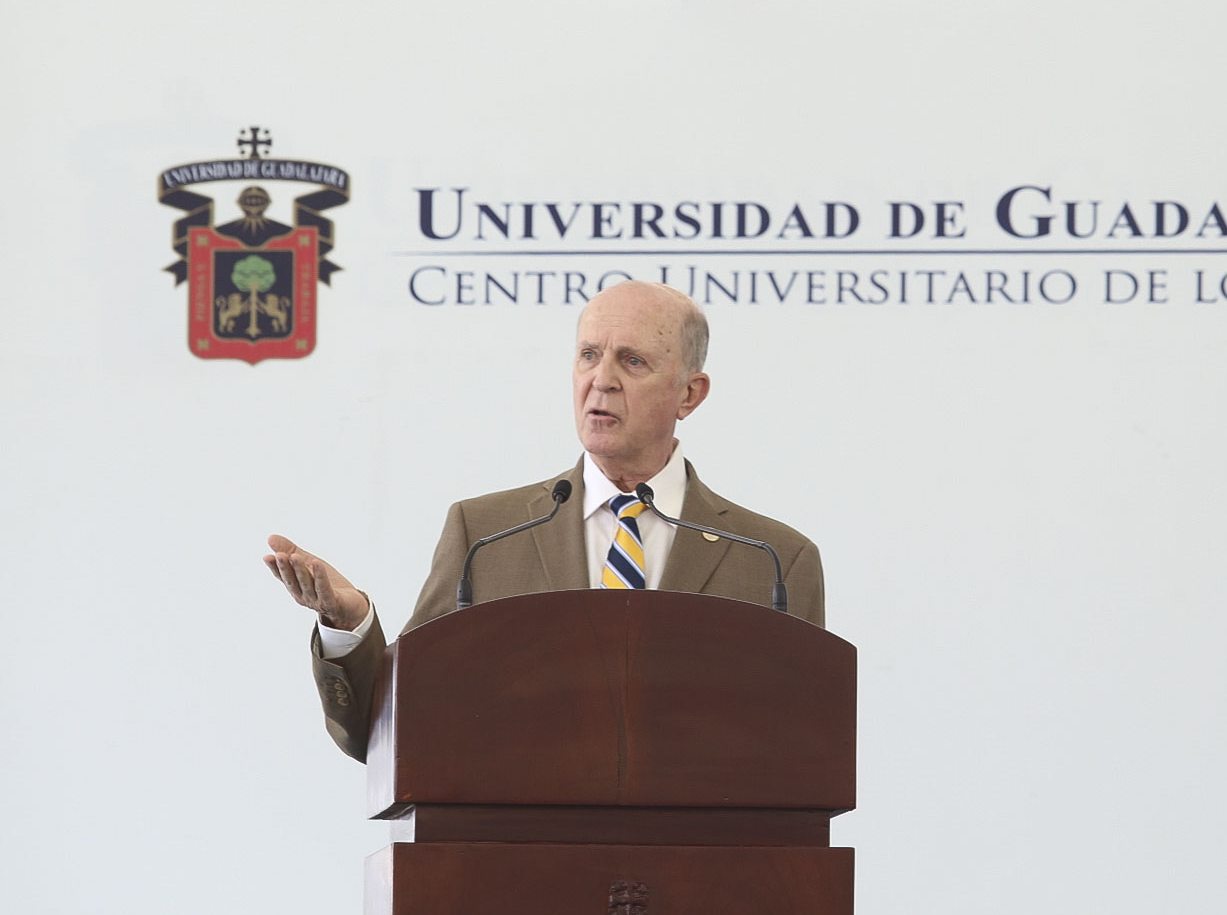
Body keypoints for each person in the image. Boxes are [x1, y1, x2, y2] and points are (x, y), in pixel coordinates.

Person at [265, 281, 824, 760]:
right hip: (519, 849)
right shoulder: (485, 535)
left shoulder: (772, 560)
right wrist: (350, 624)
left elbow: (806, 751)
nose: (601, 380)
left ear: (690, 395)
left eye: (632, 361)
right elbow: (393, 729)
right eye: (589, 355)